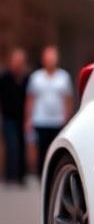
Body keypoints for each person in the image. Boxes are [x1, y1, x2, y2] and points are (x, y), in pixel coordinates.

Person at [25, 46, 74, 176]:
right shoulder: (36, 77)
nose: (51, 60)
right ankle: (41, 175)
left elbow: (68, 99)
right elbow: (30, 99)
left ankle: (54, 174)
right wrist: (28, 118)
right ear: (43, 60)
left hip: (57, 120)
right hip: (40, 119)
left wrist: (67, 117)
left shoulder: (64, 77)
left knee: (56, 150)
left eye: (53, 58)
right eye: (48, 58)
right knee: (42, 150)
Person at [0, 47, 29, 185]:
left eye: (20, 61)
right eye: (16, 60)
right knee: (11, 145)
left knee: (22, 145)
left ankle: (20, 175)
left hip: (22, 117)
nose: (18, 63)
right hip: (8, 117)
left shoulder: (27, 78)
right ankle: (10, 175)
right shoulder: (5, 77)